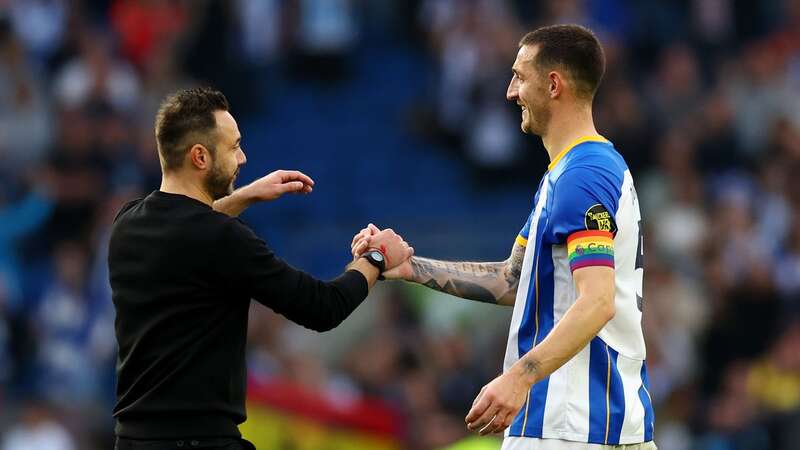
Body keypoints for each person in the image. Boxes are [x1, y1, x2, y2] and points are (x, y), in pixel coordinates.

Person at [354, 25, 656, 450]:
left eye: (519, 76)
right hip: (584, 424)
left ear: (553, 84)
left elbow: (597, 300)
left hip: (572, 426)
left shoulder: (583, 175)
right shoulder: (569, 175)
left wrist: (519, 377)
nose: (511, 92)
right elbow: (514, 281)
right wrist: (411, 268)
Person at [109, 87, 412, 450]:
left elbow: (185, 225)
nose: (243, 157)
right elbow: (322, 307)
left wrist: (244, 195)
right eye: (234, 146)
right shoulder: (224, 239)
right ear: (200, 157)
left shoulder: (126, 224)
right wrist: (376, 259)